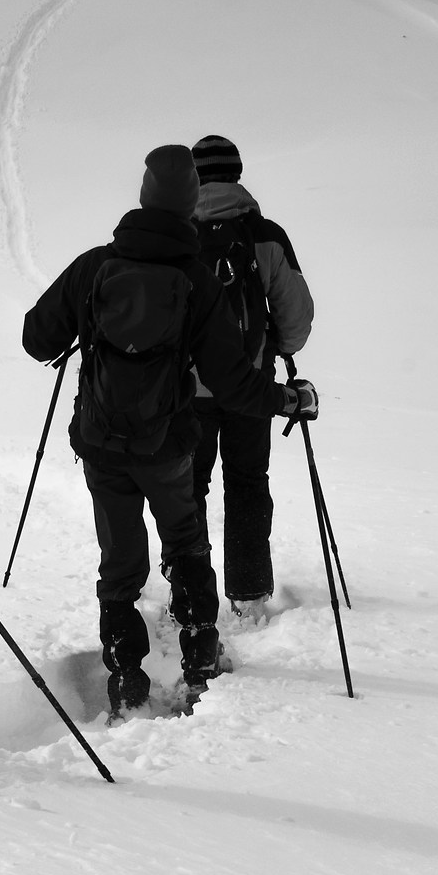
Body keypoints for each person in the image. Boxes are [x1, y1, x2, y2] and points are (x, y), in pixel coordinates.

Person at [20, 145, 318, 718]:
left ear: (142, 196)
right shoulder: (195, 281)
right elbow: (233, 384)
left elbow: (37, 340)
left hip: (102, 440)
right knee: (185, 543)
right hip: (168, 443)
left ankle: (126, 680)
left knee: (119, 558)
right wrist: (286, 399)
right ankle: (200, 664)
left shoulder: (93, 266)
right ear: (186, 207)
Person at [188, 133, 315, 613]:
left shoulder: (177, 236)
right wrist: (276, 349)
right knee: (246, 481)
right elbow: (296, 313)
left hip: (187, 390)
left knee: (189, 487)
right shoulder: (265, 235)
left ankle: (191, 590)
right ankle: (248, 592)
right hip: (251, 387)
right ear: (238, 174)